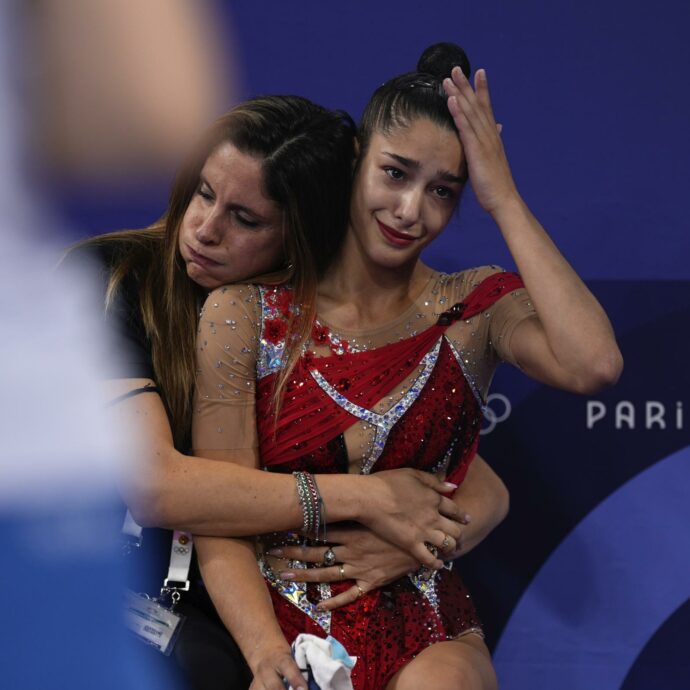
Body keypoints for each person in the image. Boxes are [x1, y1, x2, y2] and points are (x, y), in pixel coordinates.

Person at [191, 43, 623, 690]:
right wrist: (266, 658)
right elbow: (218, 516)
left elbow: (592, 365)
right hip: (273, 624)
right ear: (356, 160)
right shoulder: (244, 313)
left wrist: (501, 196)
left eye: (444, 191)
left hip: (421, 628)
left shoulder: (473, 308)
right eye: (395, 173)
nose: (410, 211)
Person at [69, 94, 510, 689]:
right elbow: (154, 485)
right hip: (109, 584)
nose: (205, 229)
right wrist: (366, 499)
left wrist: (416, 546)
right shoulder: (111, 278)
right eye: (204, 193)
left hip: (238, 599)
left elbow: (480, 486)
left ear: (300, 236)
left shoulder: (302, 315)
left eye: (246, 220)